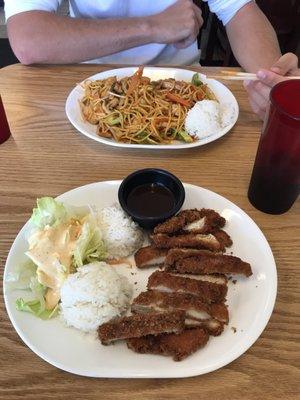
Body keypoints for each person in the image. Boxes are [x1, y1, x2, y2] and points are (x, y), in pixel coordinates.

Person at [4, 0, 299, 119]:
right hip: (88, 94)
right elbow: (29, 39)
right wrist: (152, 27)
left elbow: (239, 10)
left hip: (183, 89)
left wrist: (272, 80)